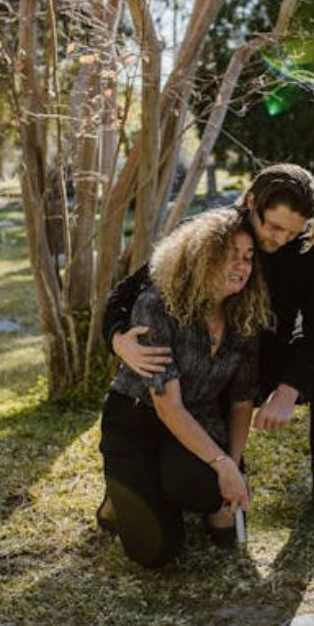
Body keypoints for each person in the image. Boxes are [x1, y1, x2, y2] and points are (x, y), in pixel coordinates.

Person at [104, 164, 314, 528]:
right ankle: (138, 482)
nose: (280, 239)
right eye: (272, 227)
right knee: (216, 504)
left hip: (268, 359)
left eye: (293, 231)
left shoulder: (310, 243)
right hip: (213, 369)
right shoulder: (215, 233)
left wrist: (289, 390)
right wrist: (117, 340)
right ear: (251, 202)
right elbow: (126, 293)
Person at [98, 208, 273, 568]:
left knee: (205, 487)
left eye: (248, 258)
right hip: (138, 422)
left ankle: (159, 489)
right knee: (157, 551)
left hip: (196, 421)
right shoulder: (157, 306)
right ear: (202, 258)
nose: (241, 267)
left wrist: (234, 468)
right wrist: (222, 463)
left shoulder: (245, 313)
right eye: (230, 256)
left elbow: (241, 402)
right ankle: (118, 495)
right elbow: (167, 407)